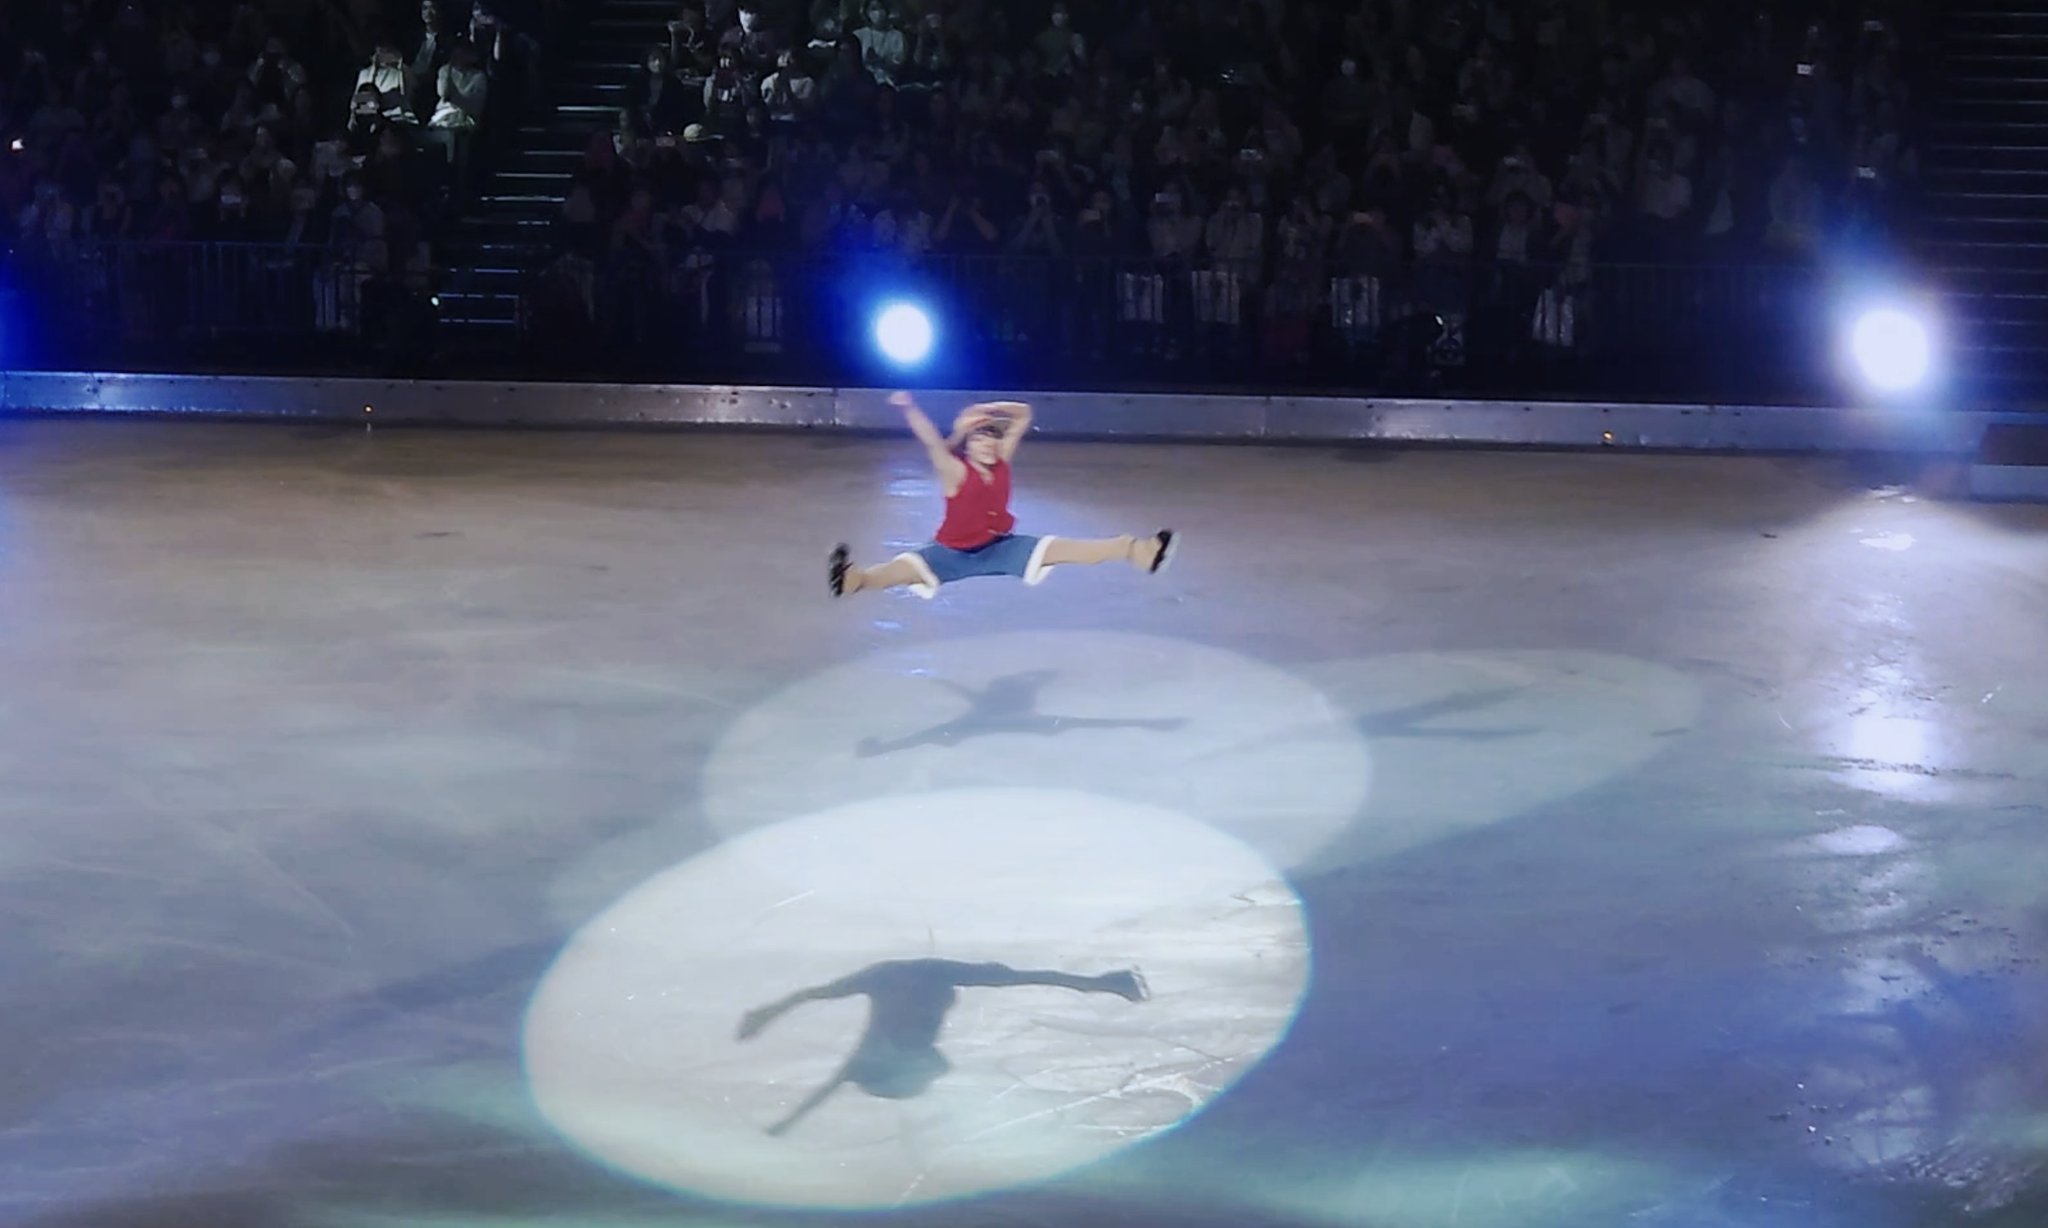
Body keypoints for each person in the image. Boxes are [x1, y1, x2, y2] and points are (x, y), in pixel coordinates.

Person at [736, 958, 1150, 1136]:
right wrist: (785, 1124)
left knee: (1012, 978)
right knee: (1011, 977)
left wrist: (766, 1014)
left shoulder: (869, 1059)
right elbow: (824, 1090)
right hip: (918, 980)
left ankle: (1108, 982)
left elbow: (824, 1089)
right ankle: (1108, 982)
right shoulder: (879, 1060)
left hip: (908, 978)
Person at [829, 392, 1175, 598]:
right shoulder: (957, 472)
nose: (989, 445)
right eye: (980, 440)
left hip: (1000, 547)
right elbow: (933, 442)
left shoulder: (1001, 463)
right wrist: (910, 408)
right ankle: (853, 579)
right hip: (950, 553)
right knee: (896, 572)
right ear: (968, 446)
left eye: (993, 439)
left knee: (1070, 549)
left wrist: (989, 409)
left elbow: (1023, 414)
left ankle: (1139, 551)